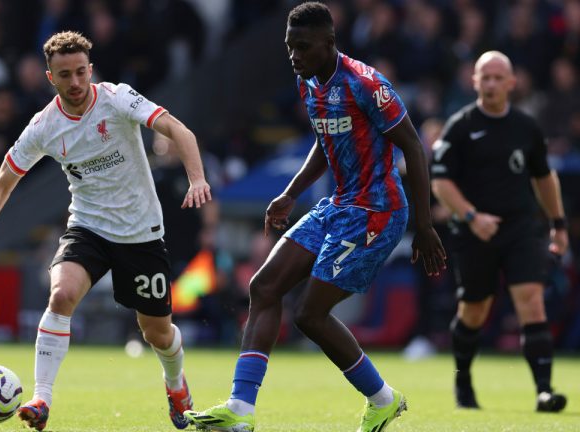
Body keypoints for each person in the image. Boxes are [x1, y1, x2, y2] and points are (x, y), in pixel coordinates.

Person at [185, 3, 446, 432]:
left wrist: (425, 225)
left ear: (329, 42)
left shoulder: (365, 84)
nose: (294, 55)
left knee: (309, 315)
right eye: (289, 47)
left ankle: (382, 399)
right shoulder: (308, 82)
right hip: (339, 206)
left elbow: (414, 148)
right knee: (264, 286)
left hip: (376, 212)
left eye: (302, 47)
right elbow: (326, 141)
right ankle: (241, 409)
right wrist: (290, 193)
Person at [0, 31, 211, 431]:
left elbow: (178, 130)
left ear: (92, 70)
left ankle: (176, 386)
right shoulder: (43, 127)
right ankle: (41, 398)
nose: (75, 82)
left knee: (156, 333)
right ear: (50, 77)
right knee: (62, 293)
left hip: (140, 232)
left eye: (81, 72)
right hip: (87, 227)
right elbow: (2, 183)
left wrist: (196, 179)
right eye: (65, 74)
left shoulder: (118, 98)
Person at [430, 51, 569, 412]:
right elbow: (441, 183)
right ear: (474, 82)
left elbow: (544, 178)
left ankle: (543, 390)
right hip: (474, 232)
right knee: (474, 310)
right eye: (484, 77)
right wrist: (473, 216)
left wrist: (558, 224)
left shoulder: (526, 127)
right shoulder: (459, 127)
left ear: (511, 83)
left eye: (497, 77)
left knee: (531, 300)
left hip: (521, 227)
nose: (491, 84)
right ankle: (463, 381)